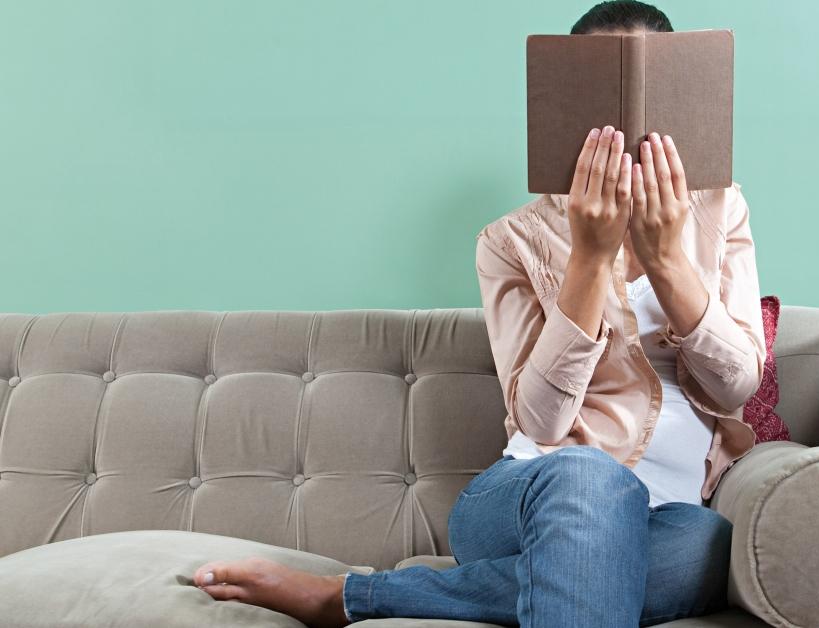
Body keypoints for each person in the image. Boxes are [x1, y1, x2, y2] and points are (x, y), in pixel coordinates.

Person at [190, 2, 766, 626]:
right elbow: (542, 420)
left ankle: (349, 596)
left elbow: (736, 384)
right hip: (532, 492)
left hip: (669, 516)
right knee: (590, 477)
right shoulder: (509, 241)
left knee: (699, 550)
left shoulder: (720, 211)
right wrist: (590, 259)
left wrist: (665, 259)